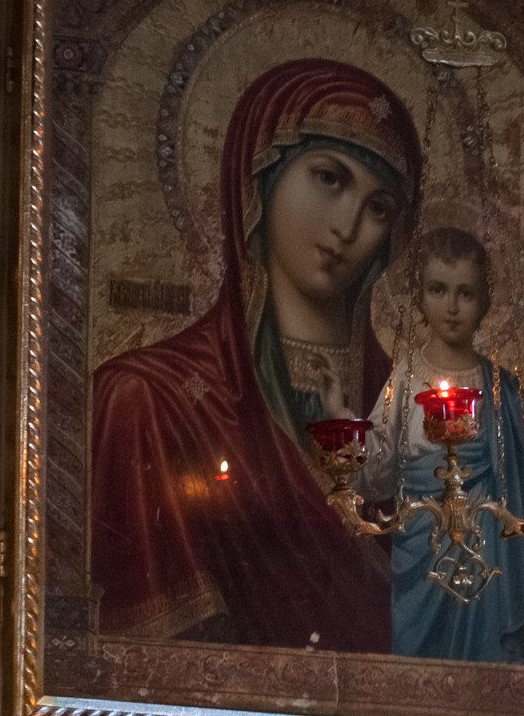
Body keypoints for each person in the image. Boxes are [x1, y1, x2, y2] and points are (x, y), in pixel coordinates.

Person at [92, 59, 420, 651]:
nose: (348, 226)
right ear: (258, 180)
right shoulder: (147, 399)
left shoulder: (417, 412)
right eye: (329, 178)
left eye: (379, 208)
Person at [365, 226, 524, 665]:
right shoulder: (405, 380)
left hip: (491, 562)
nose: (451, 307)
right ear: (419, 296)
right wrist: (348, 440)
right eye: (438, 290)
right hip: (423, 552)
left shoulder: (506, 392)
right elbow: (377, 476)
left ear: (485, 301)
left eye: (465, 293)